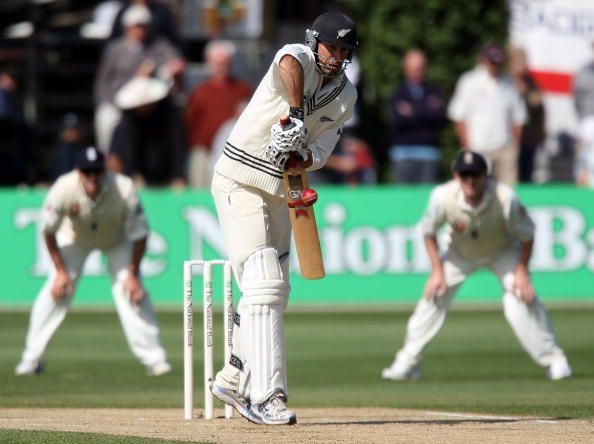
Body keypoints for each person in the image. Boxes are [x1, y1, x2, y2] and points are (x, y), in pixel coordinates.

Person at [209, 11, 358, 425]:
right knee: (264, 283)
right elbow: (288, 62)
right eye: (333, 46)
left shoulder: (346, 96)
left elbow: (324, 147)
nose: (339, 55)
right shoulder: (298, 58)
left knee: (273, 291)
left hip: (284, 190)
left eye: (346, 49)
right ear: (315, 42)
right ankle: (267, 396)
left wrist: (304, 153)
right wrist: (294, 114)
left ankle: (232, 376)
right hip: (239, 178)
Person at [381, 150, 572, 382]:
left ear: (486, 176)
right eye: (465, 175)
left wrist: (522, 271)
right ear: (456, 176)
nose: (470, 180)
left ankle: (555, 360)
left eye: (476, 174)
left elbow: (527, 234)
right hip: (459, 254)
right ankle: (407, 363)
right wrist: (437, 272)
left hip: (501, 252)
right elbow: (427, 232)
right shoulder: (442, 196)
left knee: (522, 299)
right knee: (433, 296)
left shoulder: (505, 198)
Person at [15, 146, 171, 376]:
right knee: (54, 292)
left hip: (117, 241)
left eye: (97, 171)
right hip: (75, 239)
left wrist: (132, 274)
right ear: (79, 172)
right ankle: (31, 359)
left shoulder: (125, 189)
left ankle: (155, 359)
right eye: (87, 172)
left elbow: (140, 234)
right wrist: (60, 272)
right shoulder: (63, 188)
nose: (92, 178)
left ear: (104, 171)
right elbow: (48, 231)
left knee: (133, 293)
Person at [93, 3, 184, 153]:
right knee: (106, 118)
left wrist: (168, 68)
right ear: (127, 27)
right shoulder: (115, 49)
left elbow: (175, 60)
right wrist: (109, 102)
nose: (140, 31)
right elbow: (103, 81)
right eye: (136, 26)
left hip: (146, 103)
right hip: (117, 101)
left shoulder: (156, 45)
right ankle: (109, 159)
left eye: (143, 26)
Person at [448, 43, 527, 185]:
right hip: (479, 147)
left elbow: (518, 118)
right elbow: (459, 117)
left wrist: (514, 146)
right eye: (492, 62)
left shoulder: (509, 83)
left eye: (497, 62)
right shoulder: (469, 81)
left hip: (505, 149)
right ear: (484, 60)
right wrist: (467, 147)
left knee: (508, 191)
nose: (494, 66)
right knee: (479, 189)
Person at [185, 40, 253, 188]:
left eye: (224, 63)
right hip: (204, 150)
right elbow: (190, 123)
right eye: (217, 63)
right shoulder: (199, 92)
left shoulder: (242, 90)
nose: (221, 67)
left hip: (234, 152)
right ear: (209, 63)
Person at [108, 76, 186, 187]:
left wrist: (178, 176)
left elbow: (177, 146)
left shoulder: (169, 118)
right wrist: (132, 176)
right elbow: (124, 151)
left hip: (166, 174)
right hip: (138, 177)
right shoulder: (127, 124)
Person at [388, 49, 446, 183]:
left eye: (419, 68)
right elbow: (398, 121)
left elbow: (438, 118)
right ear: (406, 69)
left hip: (429, 153)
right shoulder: (398, 93)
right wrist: (425, 109)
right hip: (403, 153)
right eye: (413, 68)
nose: (416, 72)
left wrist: (413, 111)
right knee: (402, 199)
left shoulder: (434, 91)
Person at [508, 46, 546, 183]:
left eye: (523, 63)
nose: (522, 67)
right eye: (518, 63)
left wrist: (525, 91)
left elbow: (538, 104)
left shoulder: (530, 83)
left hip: (528, 138)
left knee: (526, 174)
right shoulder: (504, 81)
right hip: (508, 140)